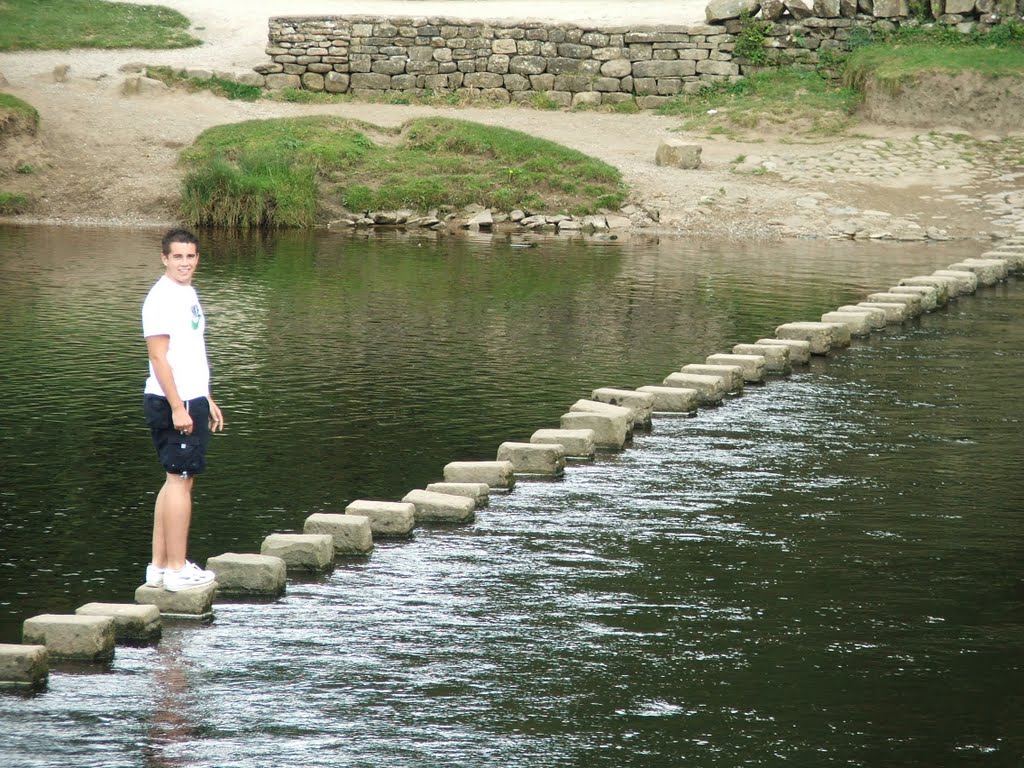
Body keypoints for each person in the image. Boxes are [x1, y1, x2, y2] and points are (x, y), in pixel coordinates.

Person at [141, 228, 224, 592]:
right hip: (172, 401)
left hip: (191, 397)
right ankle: (176, 569)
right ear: (164, 258)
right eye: (178, 257)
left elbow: (190, 351)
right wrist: (178, 405)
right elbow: (158, 357)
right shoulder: (160, 298)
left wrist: (205, 397)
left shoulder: (187, 292)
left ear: (197, 258)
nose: (185, 263)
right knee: (179, 481)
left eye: (190, 256)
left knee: (175, 479)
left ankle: (159, 567)